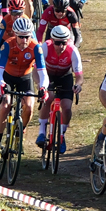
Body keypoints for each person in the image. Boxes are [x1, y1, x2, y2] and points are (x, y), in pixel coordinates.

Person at [0, 17, 47, 162]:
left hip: (25, 78)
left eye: (27, 36)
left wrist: (43, 87)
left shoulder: (36, 47)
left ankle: (19, 134)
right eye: (21, 37)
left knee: (29, 106)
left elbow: (43, 72)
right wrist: (1, 84)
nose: (24, 40)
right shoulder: (8, 45)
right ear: (15, 34)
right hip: (7, 77)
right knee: (5, 105)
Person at [36, 25, 83, 153]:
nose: (61, 46)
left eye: (63, 43)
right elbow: (35, 70)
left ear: (67, 41)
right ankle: (41, 132)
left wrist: (78, 85)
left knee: (66, 108)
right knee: (49, 98)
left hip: (65, 77)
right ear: (52, 40)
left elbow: (79, 76)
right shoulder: (45, 47)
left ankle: (61, 135)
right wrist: (40, 84)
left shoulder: (73, 51)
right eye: (57, 43)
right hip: (48, 76)